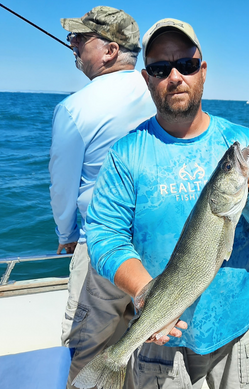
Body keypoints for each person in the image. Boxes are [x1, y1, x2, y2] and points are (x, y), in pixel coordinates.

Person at [85, 18, 249, 388]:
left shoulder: (243, 140)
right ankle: (114, 360)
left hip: (239, 335)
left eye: (185, 65)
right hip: (160, 345)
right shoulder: (126, 154)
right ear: (147, 78)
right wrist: (143, 292)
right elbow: (103, 235)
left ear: (202, 72)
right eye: (160, 68)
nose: (174, 76)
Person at [48, 6, 156, 388]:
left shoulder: (74, 108)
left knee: (87, 349)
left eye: (80, 38)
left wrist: (65, 235)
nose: (72, 44)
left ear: (110, 51)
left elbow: (63, 187)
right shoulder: (163, 92)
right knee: (148, 348)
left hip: (102, 249)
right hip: (157, 247)